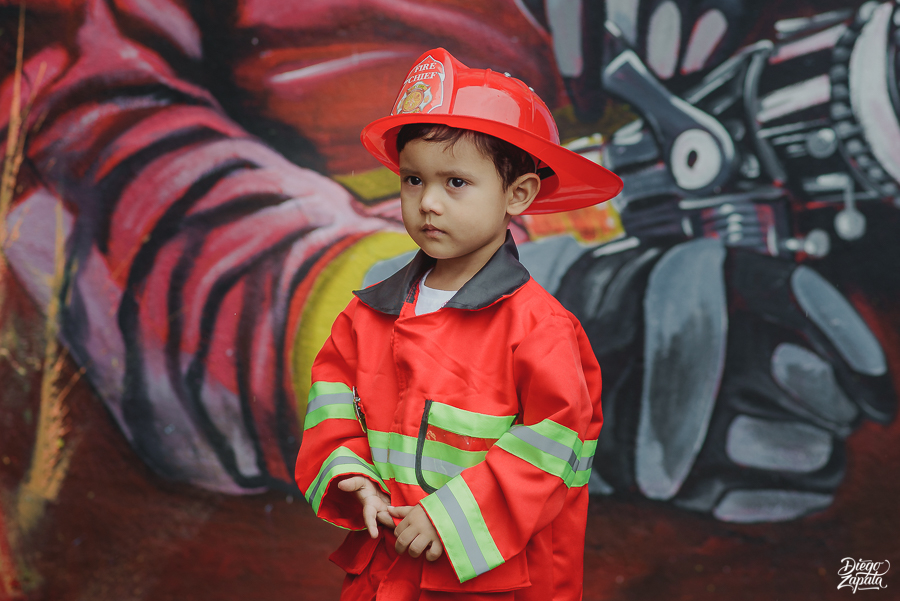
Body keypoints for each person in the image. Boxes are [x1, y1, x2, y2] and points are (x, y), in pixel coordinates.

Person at [294, 48, 622, 600]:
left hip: (493, 582)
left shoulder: (540, 328)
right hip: (386, 572)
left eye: (456, 183)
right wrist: (355, 482)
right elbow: (331, 409)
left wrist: (452, 518)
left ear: (518, 194)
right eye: (414, 180)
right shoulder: (368, 314)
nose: (428, 203)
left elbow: (552, 448)